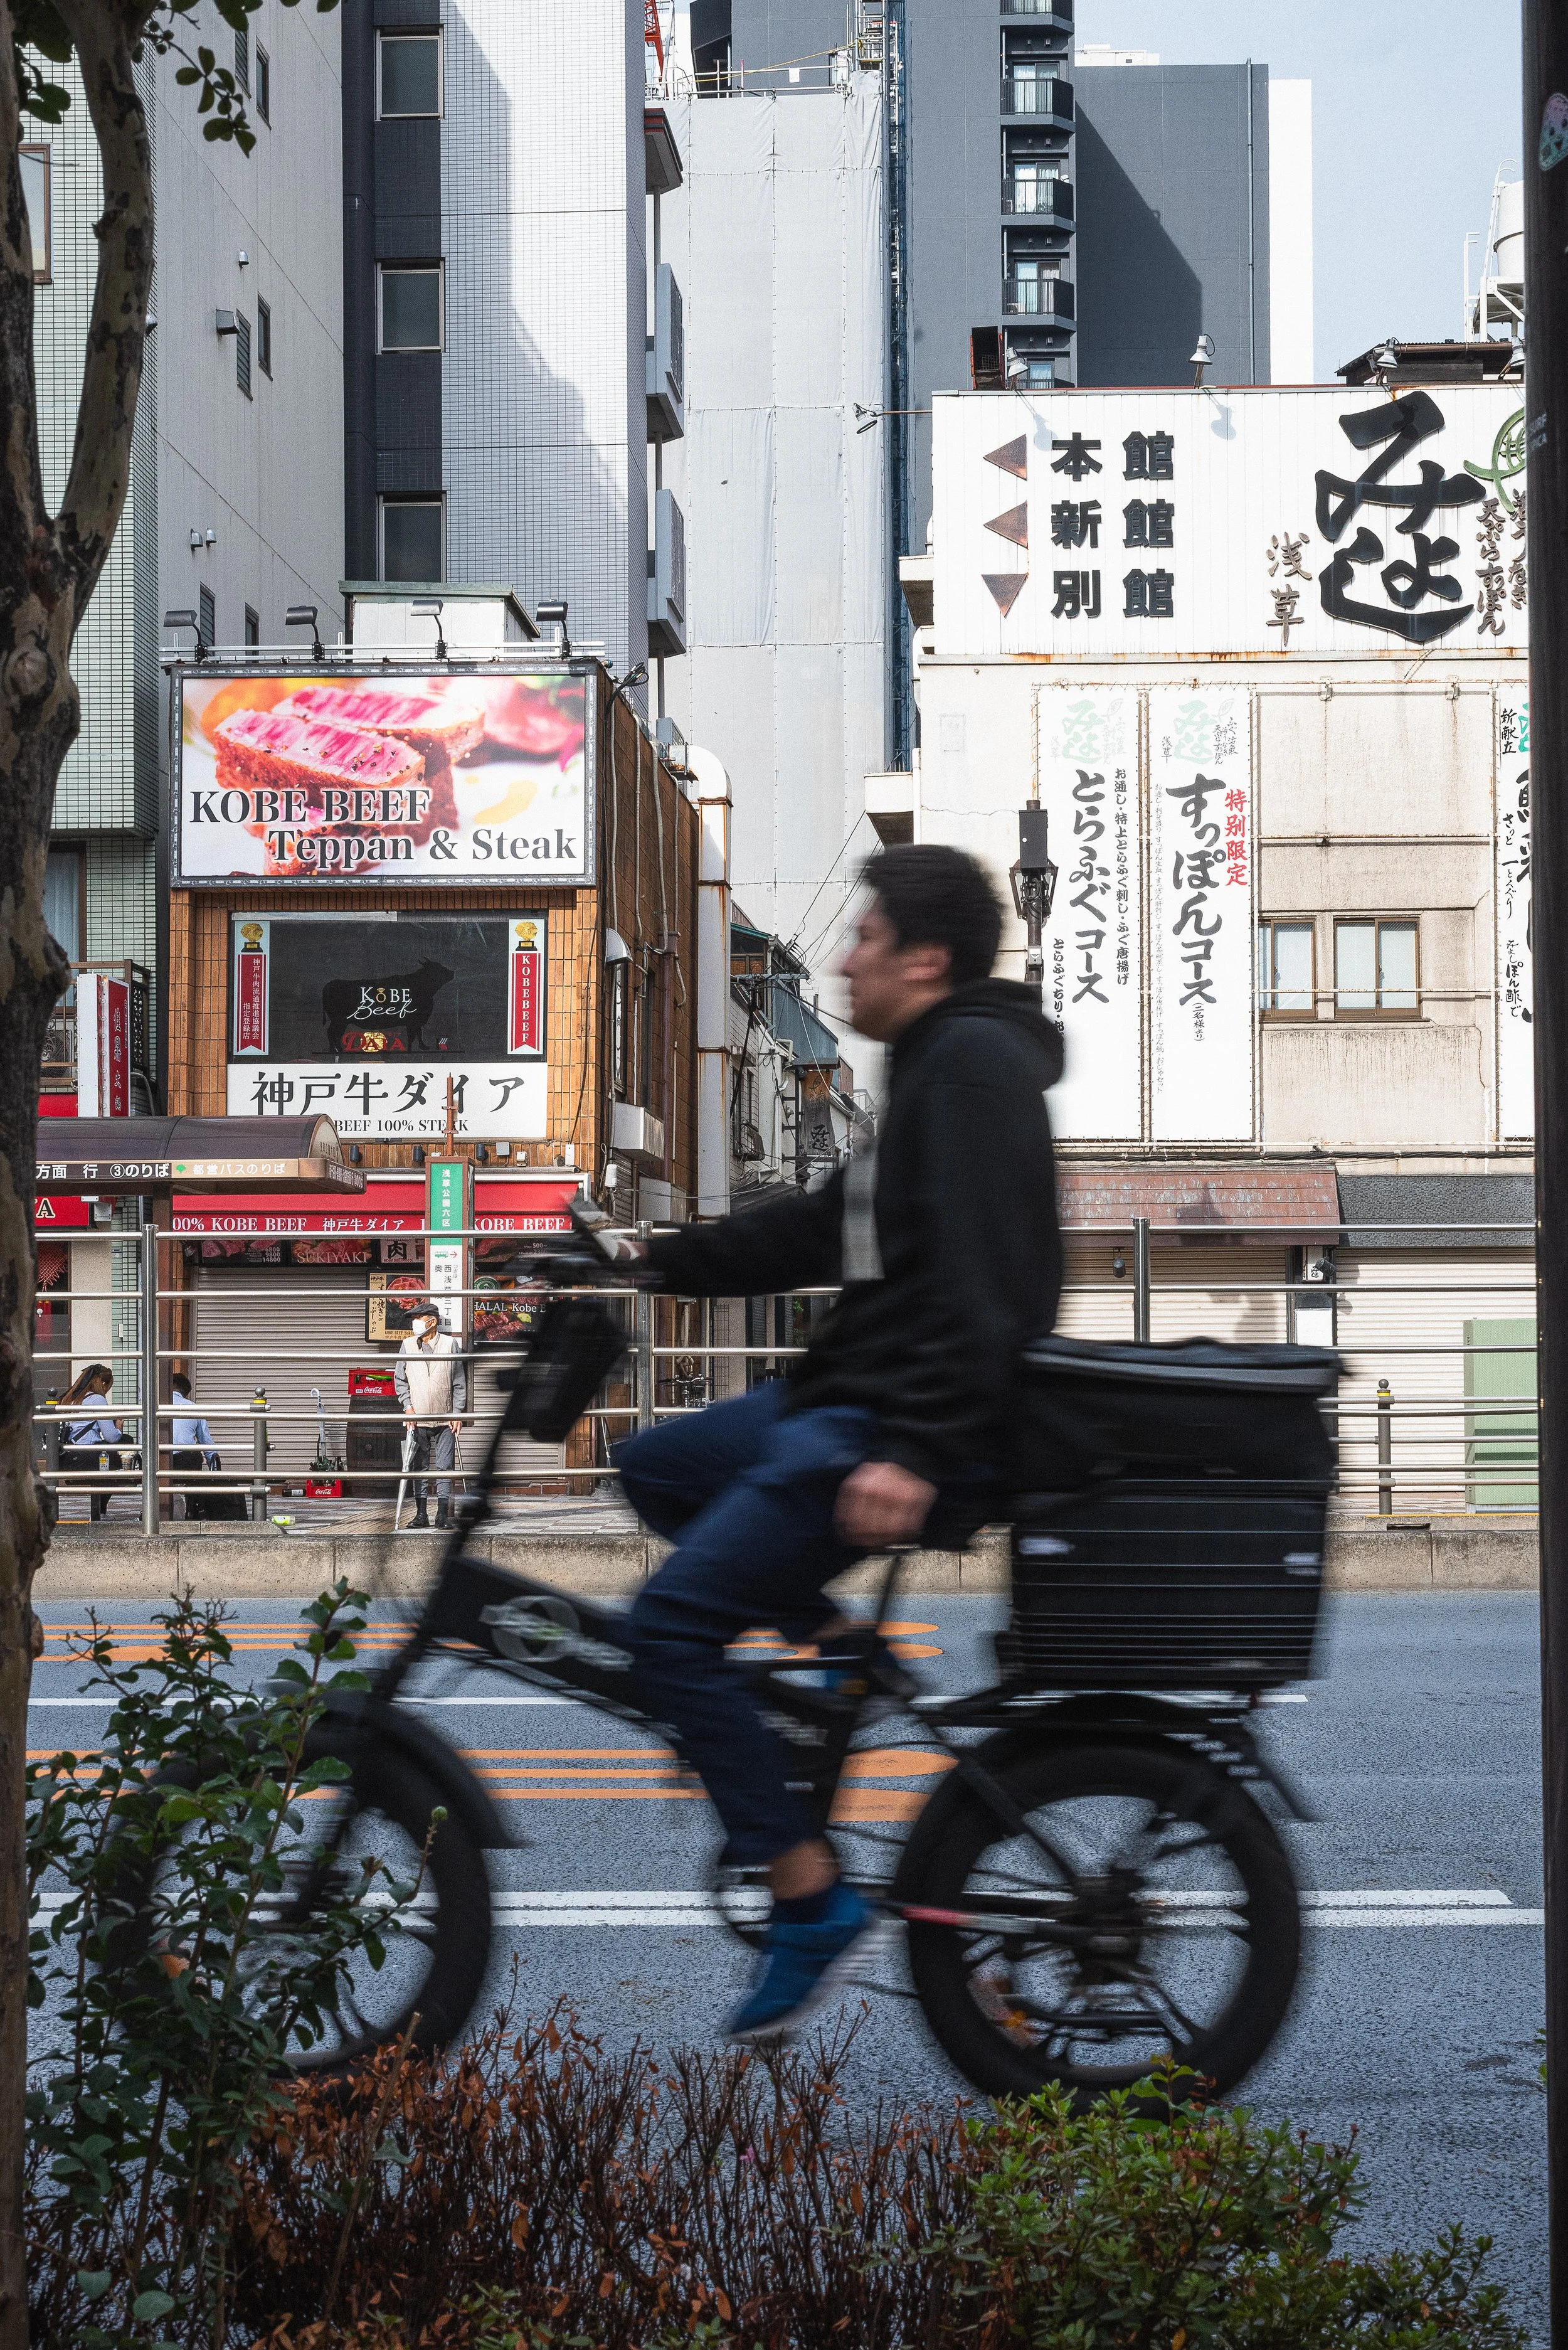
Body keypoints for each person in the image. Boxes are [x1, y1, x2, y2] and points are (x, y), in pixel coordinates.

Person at [610, 844, 1064, 2041]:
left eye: (865, 937)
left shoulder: (968, 1071)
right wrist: (647, 1258)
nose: (845, 955)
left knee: (666, 1630)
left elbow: (996, 1287)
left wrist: (914, 1449)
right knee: (656, 1466)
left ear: (925, 956)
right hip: (855, 1406)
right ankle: (829, 1647)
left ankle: (808, 1903)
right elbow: (823, 1230)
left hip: (901, 1425)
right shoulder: (935, 1065)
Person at [395, 1302, 467, 1529]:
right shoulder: (407, 1345)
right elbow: (400, 1380)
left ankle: (442, 1514)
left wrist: (458, 1413)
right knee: (420, 1468)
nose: (415, 1323)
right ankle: (421, 1514)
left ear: (433, 1321)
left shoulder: (449, 1344)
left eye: (420, 1318)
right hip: (418, 1417)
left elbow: (459, 1382)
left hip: (445, 1417)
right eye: (414, 1319)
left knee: (445, 1467)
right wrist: (408, 1408)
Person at [59, 1364, 126, 1524]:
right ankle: (100, 1512)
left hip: (66, 1457)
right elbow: (112, 1437)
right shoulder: (97, 1399)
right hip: (85, 1457)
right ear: (102, 1383)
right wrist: (119, 1425)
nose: (106, 1390)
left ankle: (100, 1512)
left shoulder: (69, 1399)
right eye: (107, 1387)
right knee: (119, 1451)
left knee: (106, 1456)